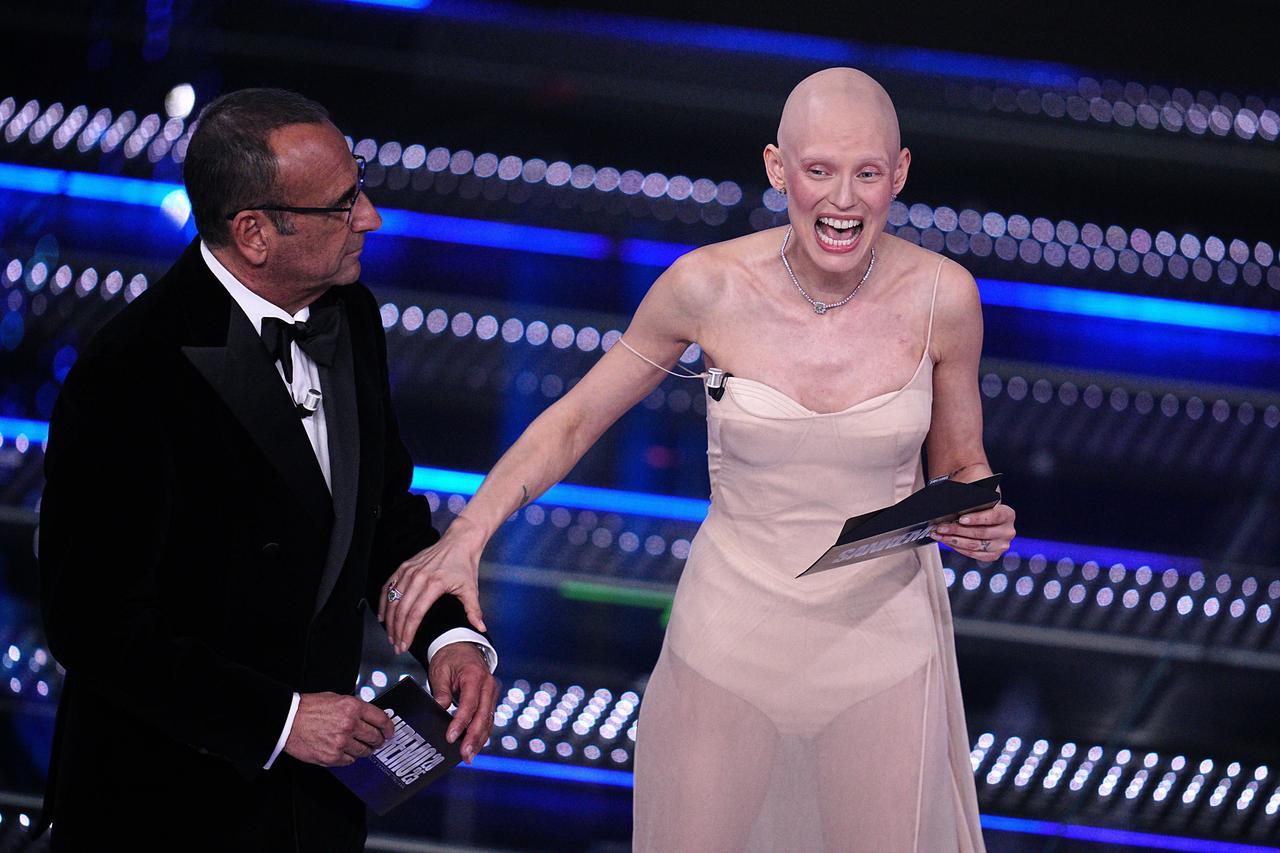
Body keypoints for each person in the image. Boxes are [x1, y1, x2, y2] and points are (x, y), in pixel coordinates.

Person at [381, 68, 1015, 851]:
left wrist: (976, 516)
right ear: (778, 169)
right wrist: (466, 535)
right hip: (730, 639)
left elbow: (961, 465)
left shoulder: (944, 297)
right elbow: (578, 419)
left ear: (901, 174)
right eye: (819, 171)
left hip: (882, 648)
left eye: (868, 174)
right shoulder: (706, 286)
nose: (843, 199)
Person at [36, 88, 498, 852]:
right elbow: (91, 622)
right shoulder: (130, 372)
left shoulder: (353, 317)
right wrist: (282, 720)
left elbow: (382, 515)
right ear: (254, 232)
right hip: (163, 806)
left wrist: (450, 638)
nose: (372, 218)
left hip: (312, 812)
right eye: (342, 204)